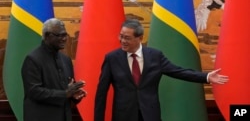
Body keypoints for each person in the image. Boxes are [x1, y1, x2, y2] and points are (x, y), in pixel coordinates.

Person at [94, 19, 229, 121]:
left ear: (140, 38)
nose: (122, 40)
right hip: (123, 115)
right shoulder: (112, 58)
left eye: (127, 38)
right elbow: (101, 93)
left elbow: (178, 71)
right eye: (121, 36)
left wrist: (205, 77)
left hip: (150, 114)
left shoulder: (155, 56)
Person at [21, 18, 86, 121]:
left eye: (65, 35)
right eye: (60, 35)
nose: (64, 38)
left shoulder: (66, 60)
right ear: (47, 36)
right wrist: (65, 93)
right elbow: (34, 92)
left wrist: (74, 95)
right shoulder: (32, 60)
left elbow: (66, 91)